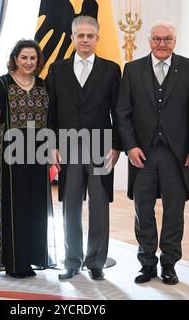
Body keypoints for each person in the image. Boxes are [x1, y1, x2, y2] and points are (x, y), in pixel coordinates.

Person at [115, 21, 189, 285]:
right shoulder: (132, 69)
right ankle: (147, 264)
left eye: (167, 39)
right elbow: (122, 111)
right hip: (142, 153)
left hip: (176, 155)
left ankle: (169, 264)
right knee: (143, 210)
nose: (162, 44)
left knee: (174, 211)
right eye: (157, 39)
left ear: (174, 41)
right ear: (149, 41)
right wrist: (130, 146)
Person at [47, 16, 121, 281]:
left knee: (100, 206)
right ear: (72, 38)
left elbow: (118, 111)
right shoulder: (57, 70)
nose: (85, 39)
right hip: (67, 146)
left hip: (101, 145)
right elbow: (51, 111)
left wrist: (116, 146)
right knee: (71, 205)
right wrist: (52, 143)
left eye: (90, 35)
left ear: (97, 38)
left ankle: (97, 261)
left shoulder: (112, 70)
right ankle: (72, 261)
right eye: (80, 35)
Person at [0, 40, 56, 278]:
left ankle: (32, 257)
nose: (29, 62)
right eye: (24, 57)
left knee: (35, 207)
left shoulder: (44, 85)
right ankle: (13, 262)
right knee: (13, 206)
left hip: (37, 154)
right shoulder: (2, 84)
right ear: (15, 58)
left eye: (33, 58)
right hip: (8, 155)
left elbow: (51, 121)